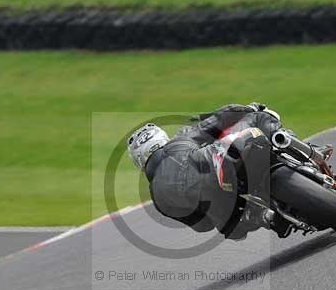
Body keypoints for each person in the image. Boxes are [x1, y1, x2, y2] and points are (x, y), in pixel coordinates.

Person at [127, 102, 325, 240]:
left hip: (227, 215)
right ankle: (310, 152)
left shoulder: (157, 198)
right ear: (162, 139)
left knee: (234, 229)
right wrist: (248, 108)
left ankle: (265, 216)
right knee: (257, 118)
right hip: (221, 163)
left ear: (139, 161)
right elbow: (220, 118)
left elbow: (201, 226)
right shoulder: (178, 141)